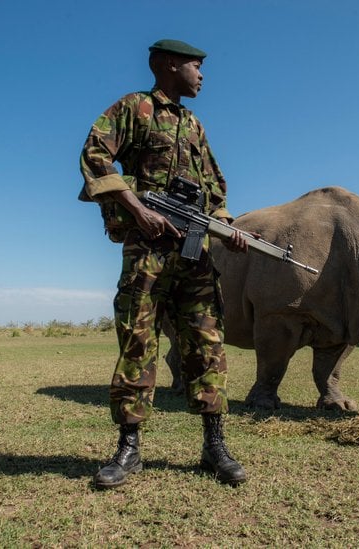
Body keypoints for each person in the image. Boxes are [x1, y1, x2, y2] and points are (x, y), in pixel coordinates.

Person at [79, 39, 250, 488]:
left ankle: (215, 446)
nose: (202, 74)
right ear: (169, 64)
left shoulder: (195, 125)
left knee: (206, 345)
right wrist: (138, 209)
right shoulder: (135, 108)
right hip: (147, 253)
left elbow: (215, 185)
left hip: (195, 257)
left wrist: (225, 226)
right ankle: (129, 448)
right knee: (138, 343)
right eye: (197, 66)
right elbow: (95, 156)